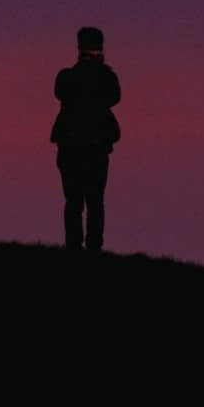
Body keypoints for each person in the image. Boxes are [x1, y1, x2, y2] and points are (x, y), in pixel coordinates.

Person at [50, 26, 121, 252]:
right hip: (95, 148)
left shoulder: (68, 77)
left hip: (72, 148)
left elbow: (60, 91)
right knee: (94, 201)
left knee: (75, 201)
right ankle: (92, 247)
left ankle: (75, 246)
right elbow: (114, 96)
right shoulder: (105, 78)